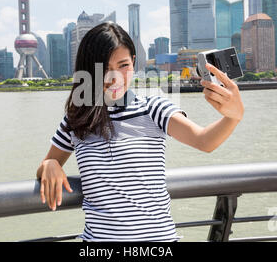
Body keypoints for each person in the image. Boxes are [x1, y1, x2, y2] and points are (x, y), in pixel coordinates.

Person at [36, 22, 244, 242]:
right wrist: (50, 165)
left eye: (123, 65)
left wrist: (233, 116)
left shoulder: (153, 108)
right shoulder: (76, 119)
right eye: (104, 68)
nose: (114, 77)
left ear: (134, 62)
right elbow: (47, 164)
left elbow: (204, 141)